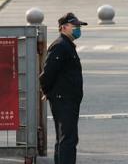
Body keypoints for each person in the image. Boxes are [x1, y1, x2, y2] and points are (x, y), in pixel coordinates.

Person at [39, 13, 88, 164]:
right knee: (68, 139)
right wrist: (47, 91)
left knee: (64, 138)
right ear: (64, 27)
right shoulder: (60, 46)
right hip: (63, 100)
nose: (78, 29)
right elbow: (47, 73)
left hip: (68, 99)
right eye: (75, 27)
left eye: (79, 26)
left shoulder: (67, 45)